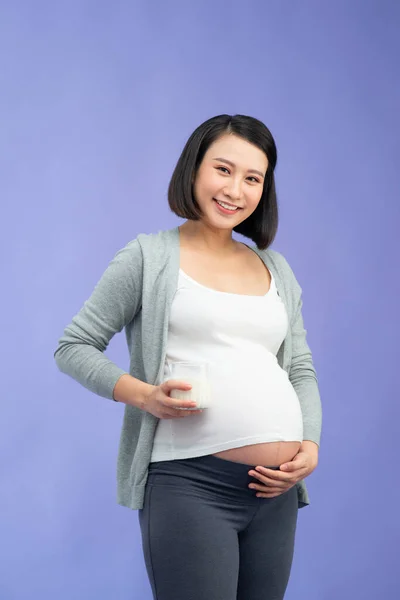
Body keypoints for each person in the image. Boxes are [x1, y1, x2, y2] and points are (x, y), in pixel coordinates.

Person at [54, 114, 322, 600]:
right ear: (194, 168)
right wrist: (146, 396)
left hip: (275, 496)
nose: (235, 190)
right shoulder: (147, 257)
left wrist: (311, 445)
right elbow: (73, 346)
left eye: (252, 178)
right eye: (223, 169)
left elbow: (299, 368)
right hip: (190, 487)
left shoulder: (275, 268)